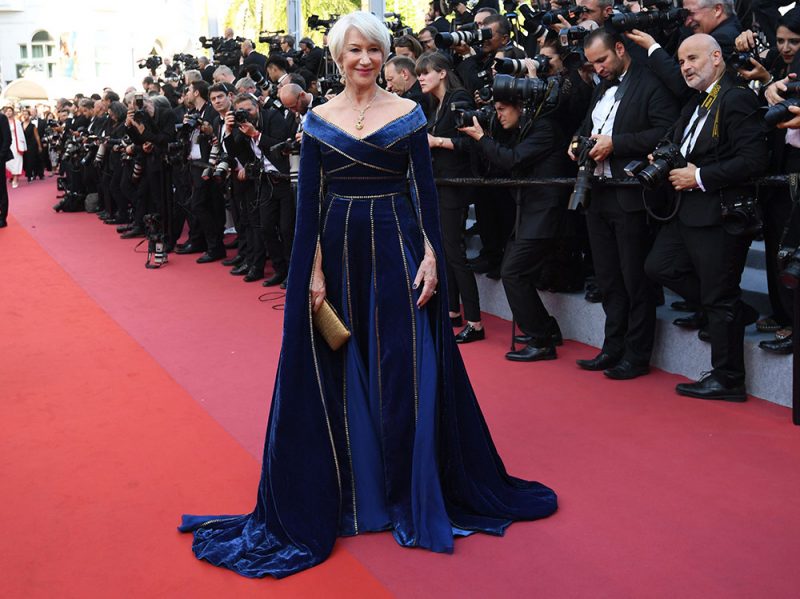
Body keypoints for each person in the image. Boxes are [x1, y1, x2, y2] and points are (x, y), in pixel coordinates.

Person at [179, 11, 557, 579]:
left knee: (406, 367)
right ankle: (358, 492)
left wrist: (433, 255)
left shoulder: (406, 113)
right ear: (337, 56)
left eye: (374, 50)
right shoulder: (317, 121)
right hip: (337, 247)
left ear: (385, 55)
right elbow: (309, 207)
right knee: (341, 364)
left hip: (399, 247)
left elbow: (425, 194)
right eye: (354, 50)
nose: (364, 59)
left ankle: (411, 485)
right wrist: (310, 271)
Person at [644, 34, 769, 401]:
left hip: (720, 215)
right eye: (682, 61)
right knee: (659, 267)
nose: (685, 67)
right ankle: (734, 312)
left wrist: (698, 177)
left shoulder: (736, 97)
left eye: (693, 58)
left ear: (717, 57)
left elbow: (753, 161)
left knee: (719, 295)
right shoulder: (697, 102)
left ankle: (728, 379)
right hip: (687, 213)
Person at [571, 29, 679, 380]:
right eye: (592, 63)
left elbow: (666, 131)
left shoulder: (650, 83)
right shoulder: (602, 86)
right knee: (608, 278)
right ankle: (612, 346)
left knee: (635, 280)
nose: (598, 68)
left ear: (620, 49)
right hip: (596, 193)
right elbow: (588, 125)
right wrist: (576, 143)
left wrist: (616, 143)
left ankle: (636, 355)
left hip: (632, 195)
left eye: (602, 60)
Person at [417, 51, 486, 342]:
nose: (420, 78)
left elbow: (472, 142)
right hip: (443, 183)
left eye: (425, 73)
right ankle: (453, 311)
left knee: (455, 252)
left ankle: (475, 322)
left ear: (442, 72)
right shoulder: (438, 102)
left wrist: (436, 142)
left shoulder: (459, 98)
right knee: (446, 250)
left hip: (456, 184)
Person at [0, 110, 10, 227]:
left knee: (1, 188)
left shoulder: (2, 118)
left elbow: (7, 139)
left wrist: (1, 156)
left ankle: (3, 217)